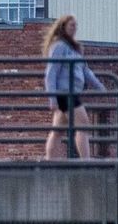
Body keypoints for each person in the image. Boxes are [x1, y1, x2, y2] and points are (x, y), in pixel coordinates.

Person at [41, 15, 106, 159]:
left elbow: (85, 70)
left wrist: (99, 86)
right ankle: (85, 161)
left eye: (75, 25)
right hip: (65, 93)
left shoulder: (75, 48)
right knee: (83, 124)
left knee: (58, 130)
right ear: (63, 27)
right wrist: (52, 99)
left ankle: (49, 161)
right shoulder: (59, 46)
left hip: (73, 92)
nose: (74, 28)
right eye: (71, 25)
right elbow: (51, 73)